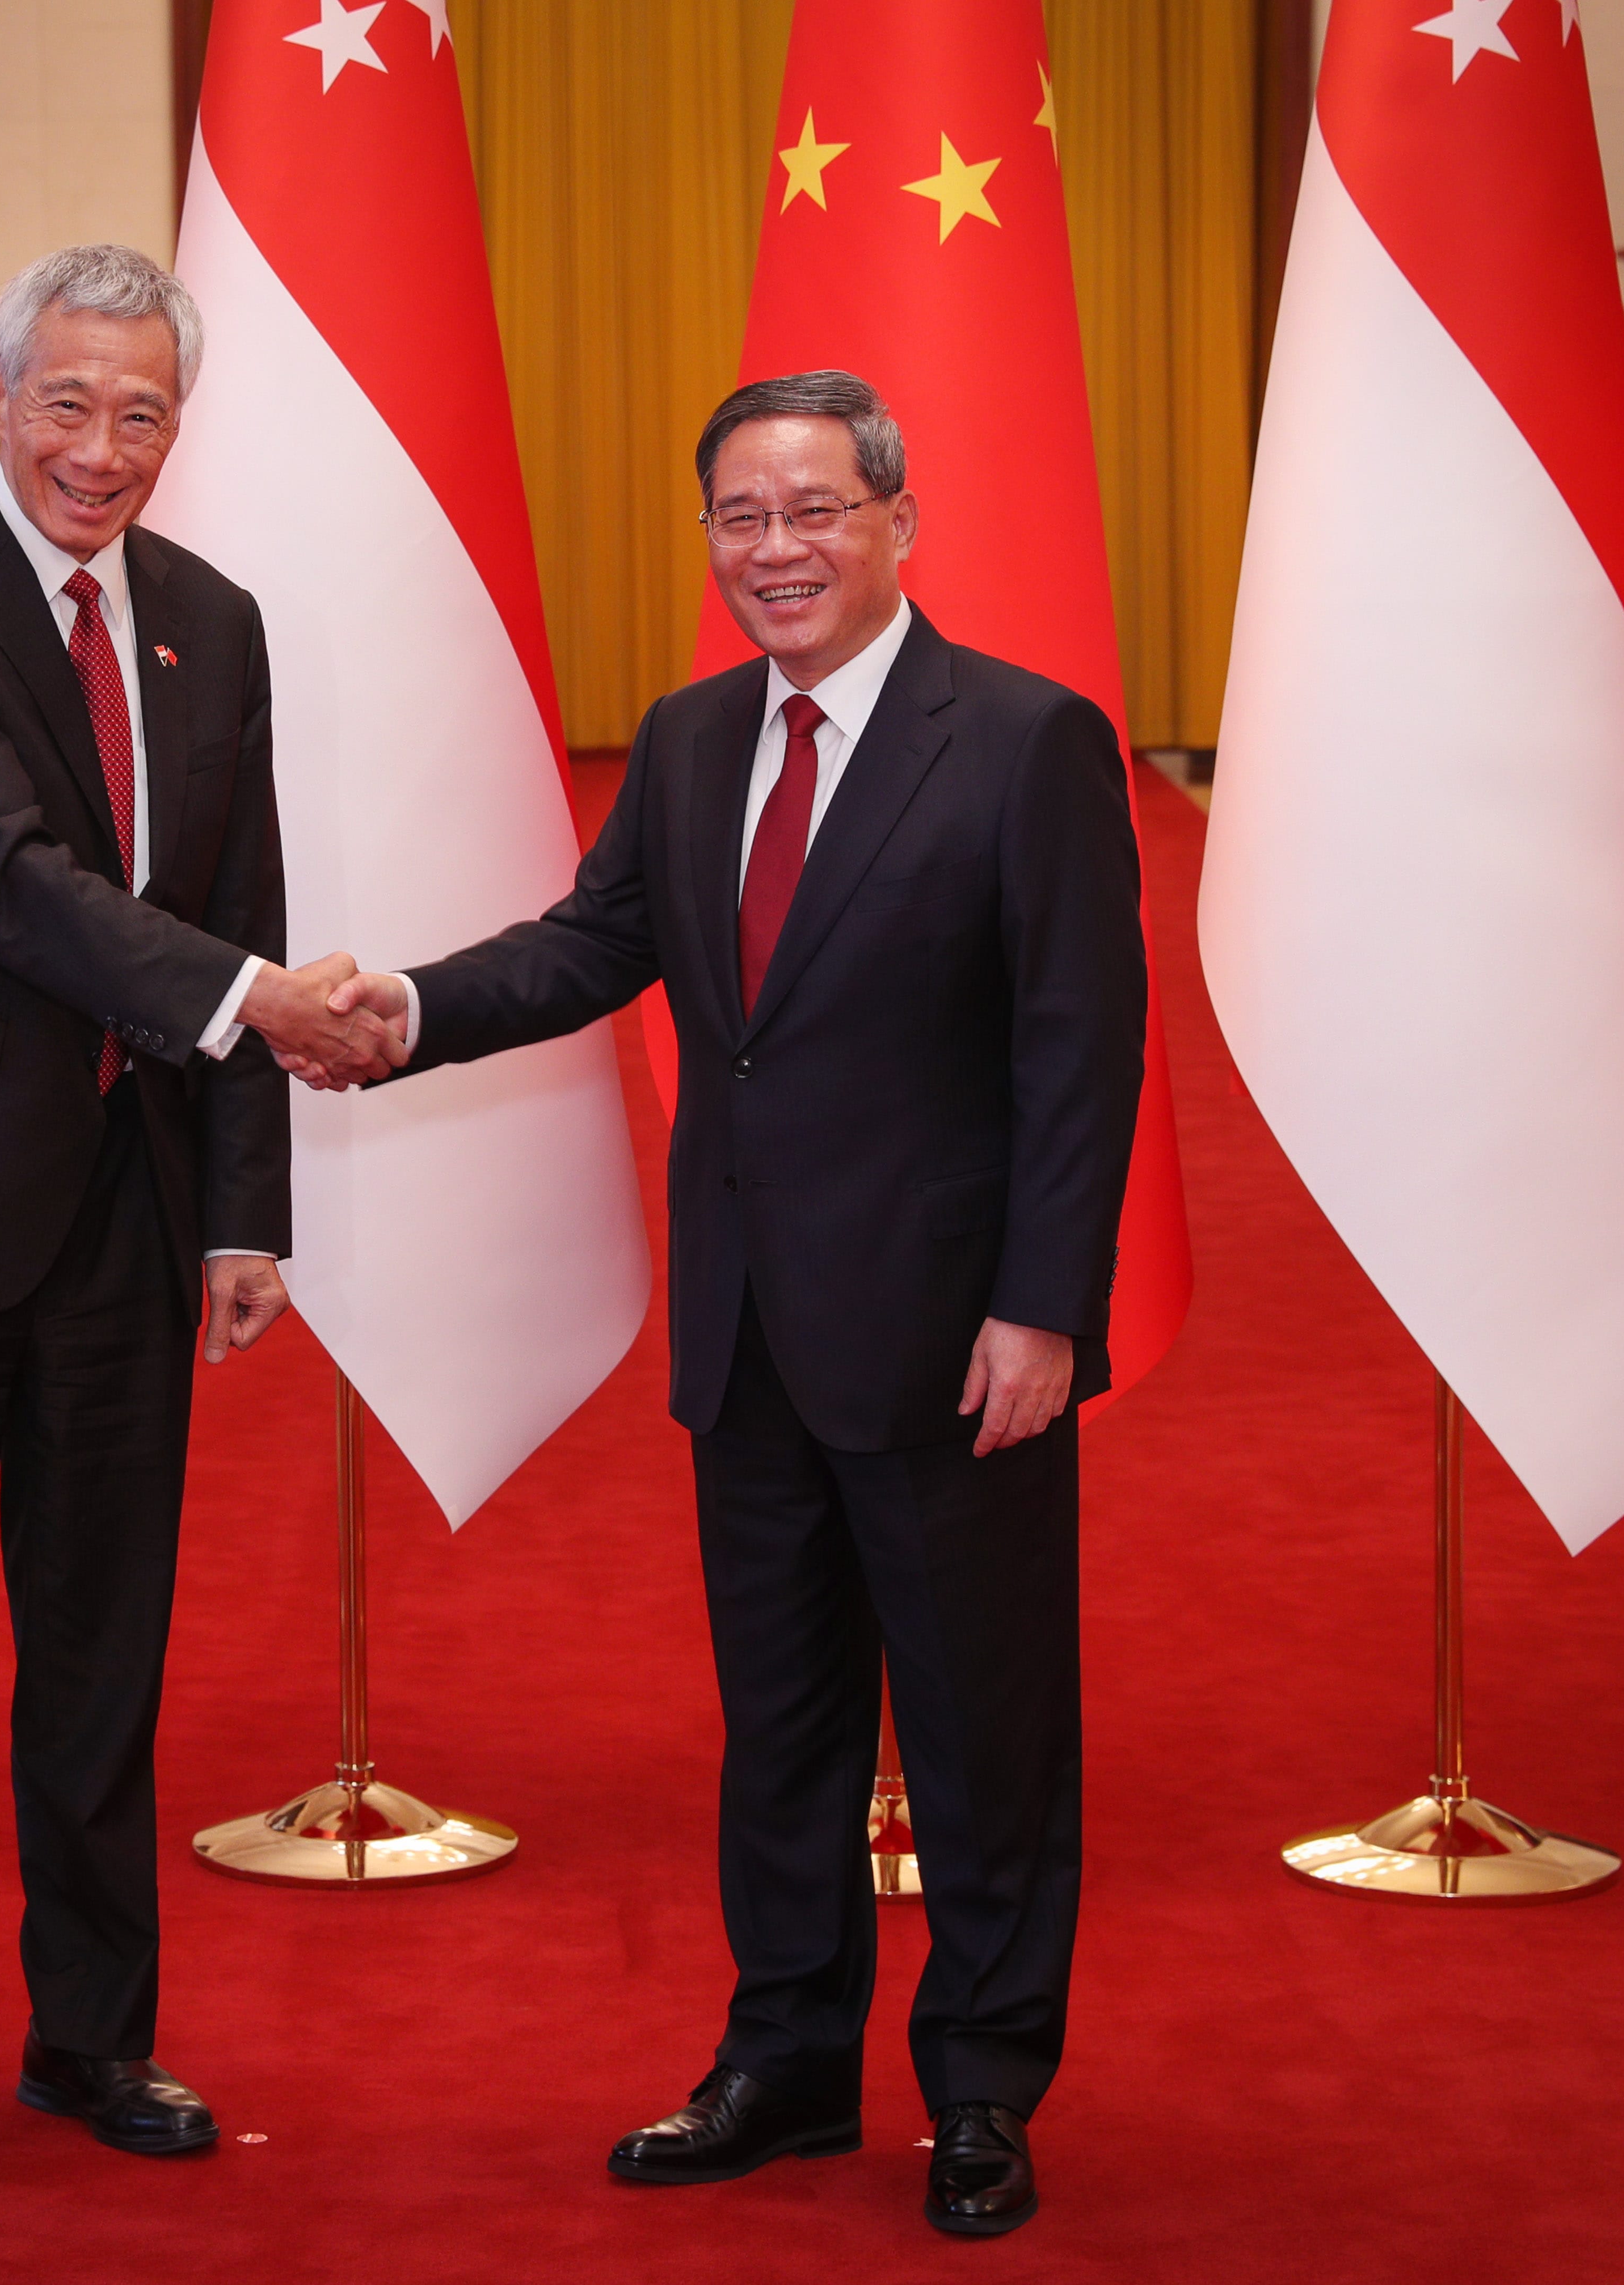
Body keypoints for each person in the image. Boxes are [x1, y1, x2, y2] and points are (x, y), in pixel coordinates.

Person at [298, 371, 1145, 2239]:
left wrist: (1042, 1307)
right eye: (742, 517)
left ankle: (983, 2088)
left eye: (815, 510)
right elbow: (593, 947)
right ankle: (788, 2060)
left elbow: (1080, 1052)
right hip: (752, 1330)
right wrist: (406, 1013)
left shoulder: (1027, 741)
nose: (777, 548)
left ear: (898, 522)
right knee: (782, 1730)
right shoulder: (690, 742)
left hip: (953, 1341)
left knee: (987, 1737)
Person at [0, 243, 389, 2186]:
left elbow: (243, 890)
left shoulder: (212, 618)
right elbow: (4, 876)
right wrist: (260, 1001)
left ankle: (91, 2040)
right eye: (68, 403)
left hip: (128, 1225)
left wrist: (244, 1215)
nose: (101, 449)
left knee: (103, 1668)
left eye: (142, 413)